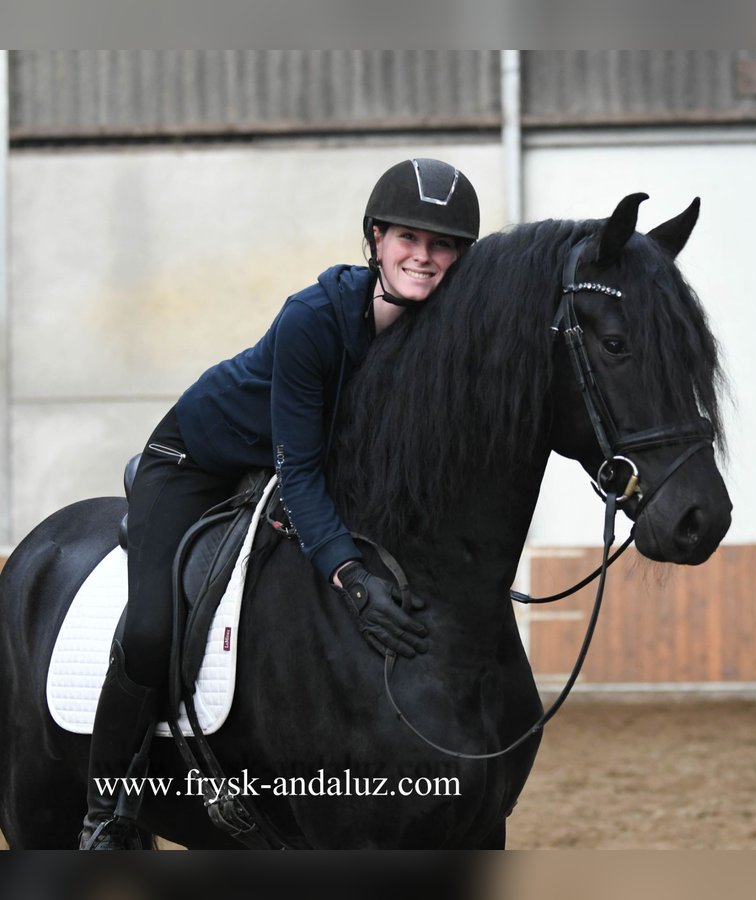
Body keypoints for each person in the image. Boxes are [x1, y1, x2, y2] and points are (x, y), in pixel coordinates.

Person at [78, 157, 481, 850]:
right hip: (196, 463)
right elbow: (302, 470)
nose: (424, 256)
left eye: (441, 244)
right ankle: (106, 811)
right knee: (149, 629)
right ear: (375, 240)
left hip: (284, 469)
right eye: (408, 238)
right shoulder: (314, 318)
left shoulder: (436, 337)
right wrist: (350, 579)